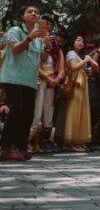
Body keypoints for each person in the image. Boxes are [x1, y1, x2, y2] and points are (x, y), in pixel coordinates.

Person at [0, 4, 50, 161]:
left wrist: (47, 46)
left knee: (28, 114)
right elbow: (15, 50)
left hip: (30, 80)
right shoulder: (15, 31)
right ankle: (5, 147)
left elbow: (42, 59)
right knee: (16, 109)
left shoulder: (40, 36)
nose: (34, 13)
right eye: (30, 11)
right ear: (23, 16)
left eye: (37, 12)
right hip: (13, 78)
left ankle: (20, 148)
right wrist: (30, 37)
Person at [29, 14, 64, 154]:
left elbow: (61, 66)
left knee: (49, 112)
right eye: (46, 24)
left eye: (50, 24)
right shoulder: (35, 40)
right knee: (37, 111)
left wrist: (57, 79)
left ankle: (44, 142)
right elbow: (35, 63)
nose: (48, 27)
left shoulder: (55, 45)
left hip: (52, 81)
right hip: (39, 79)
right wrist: (47, 78)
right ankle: (29, 141)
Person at [59, 36, 94, 152]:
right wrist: (85, 61)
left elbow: (81, 70)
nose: (81, 42)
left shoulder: (78, 56)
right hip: (74, 86)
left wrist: (87, 70)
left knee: (80, 113)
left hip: (82, 86)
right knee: (73, 112)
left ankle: (76, 141)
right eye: (78, 40)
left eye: (83, 41)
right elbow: (73, 67)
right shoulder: (71, 53)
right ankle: (68, 142)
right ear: (72, 42)